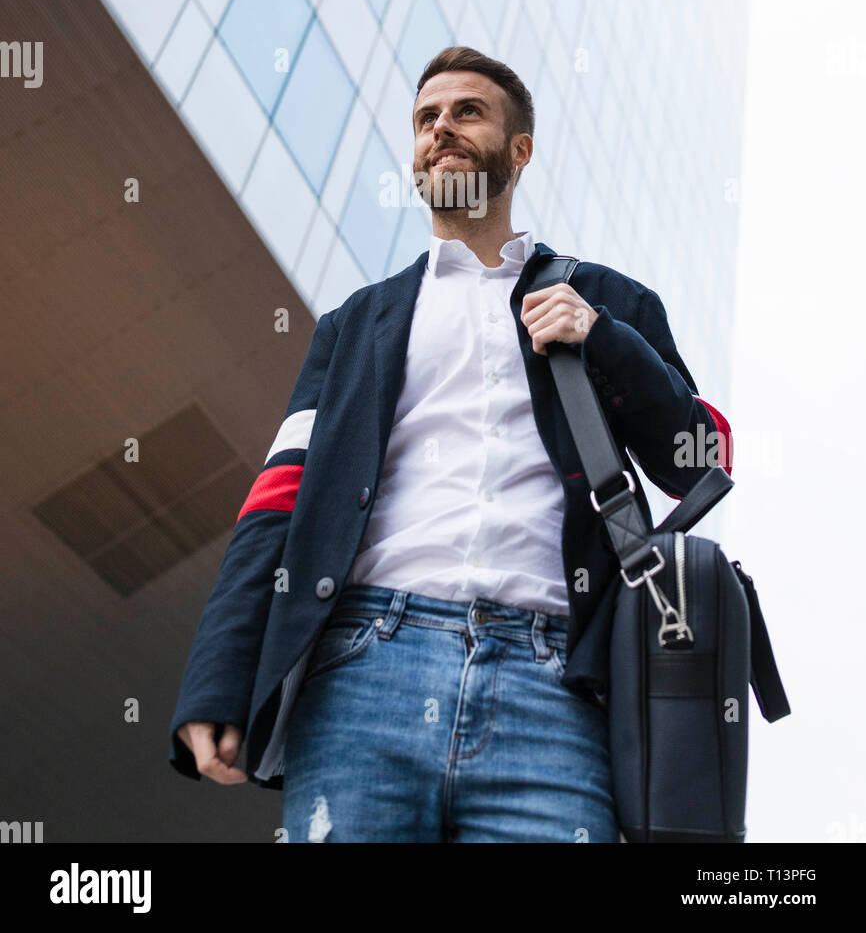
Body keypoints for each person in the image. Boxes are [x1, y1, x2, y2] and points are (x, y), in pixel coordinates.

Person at [170, 46, 732, 842]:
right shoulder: (356, 325)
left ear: (519, 149)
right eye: (426, 119)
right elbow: (276, 502)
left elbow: (699, 460)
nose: (441, 129)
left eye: (467, 112)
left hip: (557, 686)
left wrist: (604, 341)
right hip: (364, 671)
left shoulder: (607, 299)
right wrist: (217, 680)